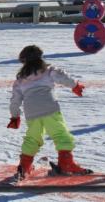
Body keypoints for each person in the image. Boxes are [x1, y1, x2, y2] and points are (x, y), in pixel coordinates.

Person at [8, 45, 89, 179]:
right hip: (50, 108)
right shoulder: (48, 70)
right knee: (61, 135)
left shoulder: (20, 80)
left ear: (24, 61)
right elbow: (62, 77)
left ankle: (24, 167)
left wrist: (14, 116)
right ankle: (66, 164)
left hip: (31, 113)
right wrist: (75, 85)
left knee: (32, 138)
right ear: (40, 57)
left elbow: (15, 100)